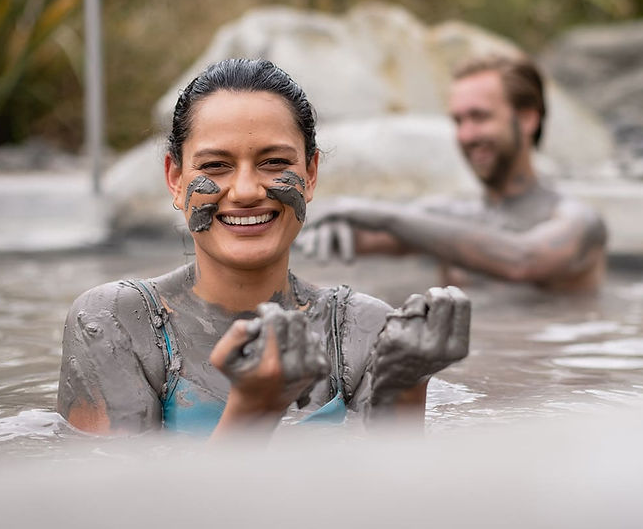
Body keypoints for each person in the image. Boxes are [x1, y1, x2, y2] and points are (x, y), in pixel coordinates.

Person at [56, 58, 470, 436]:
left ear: (310, 174)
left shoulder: (361, 331)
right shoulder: (118, 324)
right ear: (175, 179)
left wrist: (406, 388)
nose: (247, 191)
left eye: (275, 163)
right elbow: (121, 505)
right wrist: (253, 408)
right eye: (215, 166)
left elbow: (390, 501)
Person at [300, 54, 607, 293]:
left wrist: (381, 213)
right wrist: (332, 226)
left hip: (546, 370)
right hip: (463, 373)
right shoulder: (448, 215)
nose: (466, 135)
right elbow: (353, 239)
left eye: (479, 117)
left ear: (527, 119)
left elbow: (522, 260)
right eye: (458, 121)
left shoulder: (578, 222)